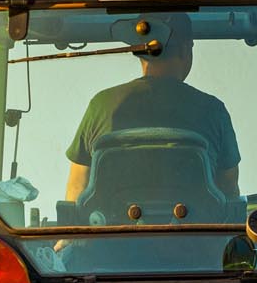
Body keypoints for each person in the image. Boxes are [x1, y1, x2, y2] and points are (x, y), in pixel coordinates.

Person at [62, 14, 240, 202]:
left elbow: (76, 189)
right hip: (191, 231)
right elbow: (229, 194)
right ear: (186, 49)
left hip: (112, 230)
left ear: (138, 51)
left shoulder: (101, 105)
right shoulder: (212, 111)